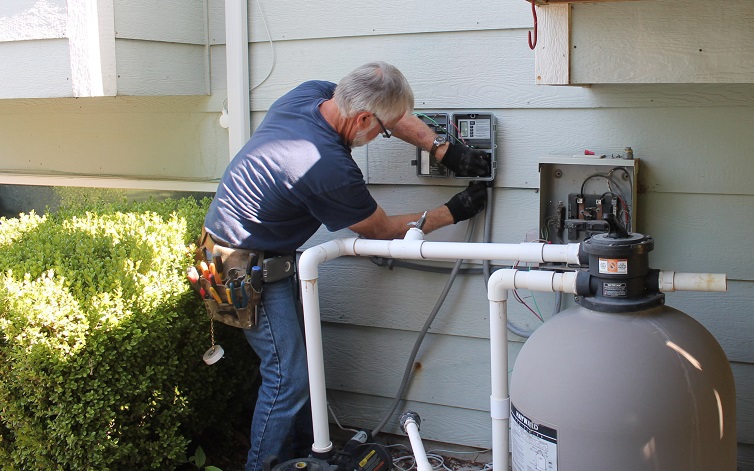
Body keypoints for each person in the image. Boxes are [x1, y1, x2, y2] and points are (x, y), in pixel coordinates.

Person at [202, 61, 490, 471]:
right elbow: (381, 230)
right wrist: (452, 211)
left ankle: (300, 460)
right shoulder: (326, 167)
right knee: (288, 379)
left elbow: (389, 111)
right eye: (383, 131)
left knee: (299, 372)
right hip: (241, 266)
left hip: (256, 253)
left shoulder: (311, 95)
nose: (382, 136)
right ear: (363, 120)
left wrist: (440, 148)